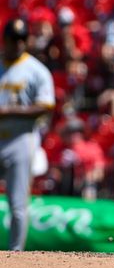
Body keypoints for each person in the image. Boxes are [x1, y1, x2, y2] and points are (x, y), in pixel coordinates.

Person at [0, 18, 56, 250]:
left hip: (21, 139)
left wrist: (9, 111)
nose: (18, 43)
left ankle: (15, 255)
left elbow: (45, 105)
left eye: (22, 38)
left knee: (18, 203)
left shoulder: (36, 70)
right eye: (14, 39)